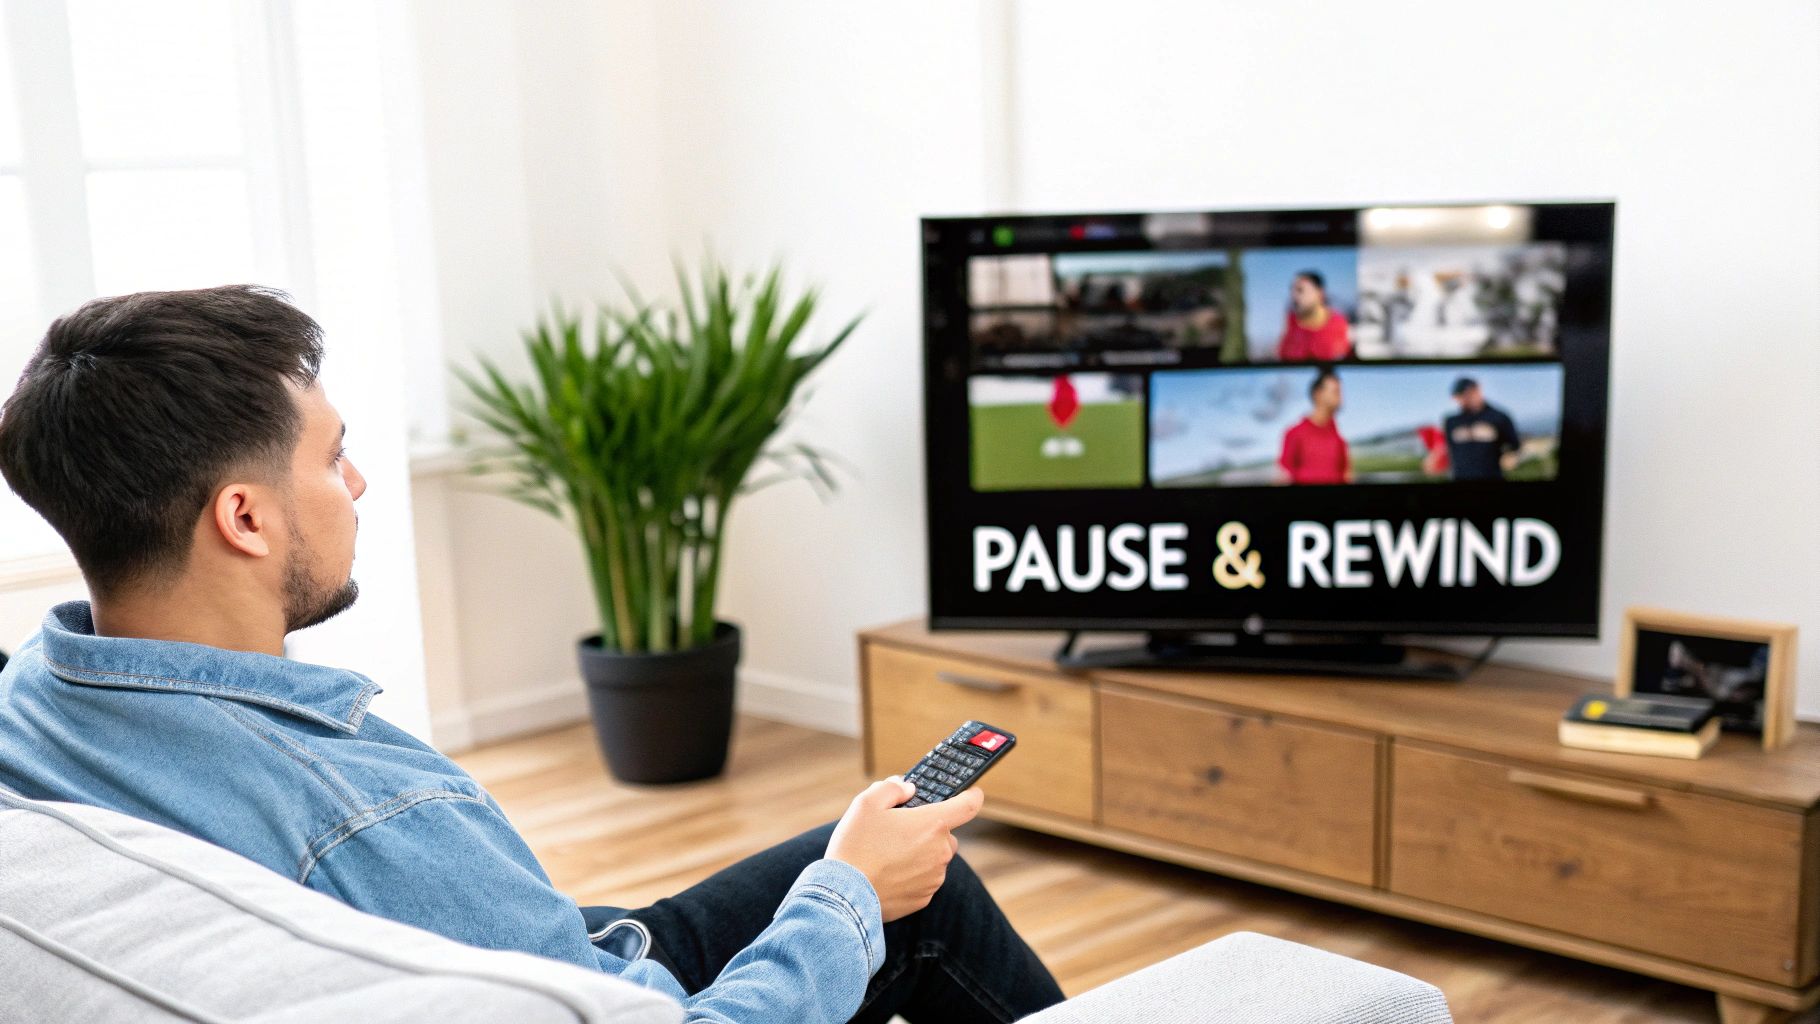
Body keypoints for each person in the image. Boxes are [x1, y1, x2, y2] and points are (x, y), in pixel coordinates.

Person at [0, 286, 1063, 1024]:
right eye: (333, 457)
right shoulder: (371, 818)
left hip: (496, 956)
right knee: (919, 890)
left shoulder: (34, 696)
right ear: (244, 517)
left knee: (851, 850)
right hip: (584, 988)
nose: (360, 484)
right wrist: (848, 895)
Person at [1278, 368, 1351, 485]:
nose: (1341, 398)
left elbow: (1347, 477)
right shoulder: (1294, 433)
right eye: (1336, 392)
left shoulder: (1339, 440)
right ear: (1318, 394)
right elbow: (1283, 478)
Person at [1443, 376, 1521, 481]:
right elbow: (1447, 450)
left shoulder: (1499, 417)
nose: (1464, 399)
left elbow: (1514, 445)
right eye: (1459, 396)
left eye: (1467, 393)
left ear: (1478, 390)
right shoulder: (1451, 422)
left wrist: (1510, 456)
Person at [1276, 270, 1351, 362]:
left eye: (1300, 290)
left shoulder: (1341, 326)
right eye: (1292, 290)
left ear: (1320, 293)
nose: (1294, 296)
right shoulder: (1290, 327)